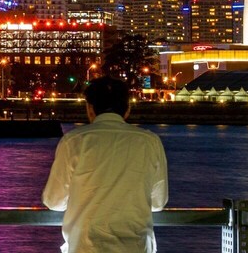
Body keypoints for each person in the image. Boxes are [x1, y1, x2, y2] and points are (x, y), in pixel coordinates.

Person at [41, 77, 168, 252]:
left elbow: (54, 201)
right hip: (136, 246)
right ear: (127, 109)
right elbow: (158, 202)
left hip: (85, 246)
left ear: (90, 108)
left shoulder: (74, 141)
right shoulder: (149, 141)